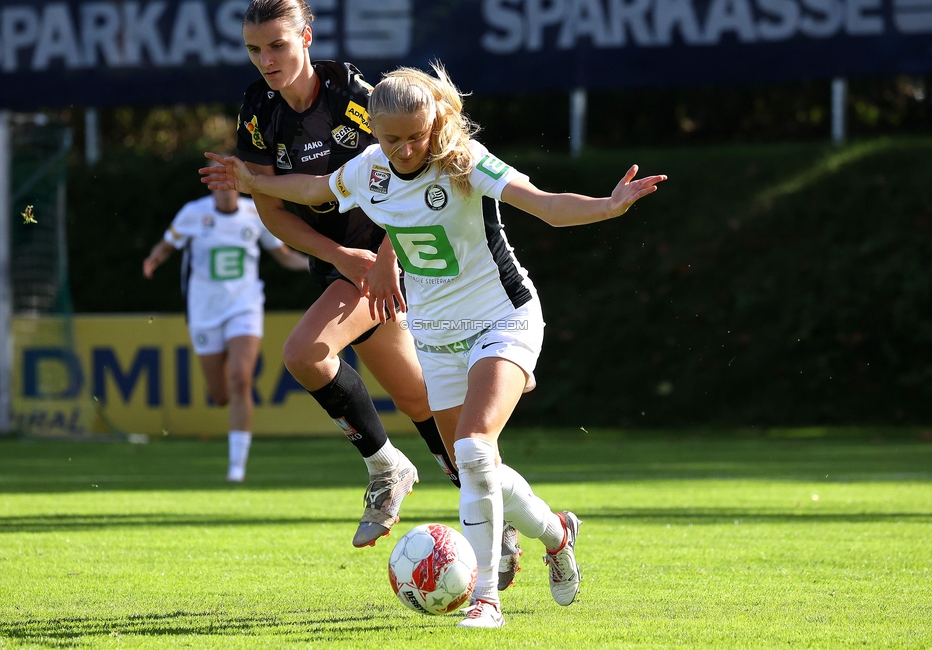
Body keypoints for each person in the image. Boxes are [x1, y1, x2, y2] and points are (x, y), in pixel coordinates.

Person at [201, 62, 667, 628]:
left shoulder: (464, 162)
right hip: (437, 336)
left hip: (503, 318)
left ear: (435, 122)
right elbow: (313, 189)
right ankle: (557, 532)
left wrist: (607, 206)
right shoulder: (369, 169)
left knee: (471, 449)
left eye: (414, 136)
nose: (402, 148)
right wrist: (252, 182)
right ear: (372, 128)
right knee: (474, 464)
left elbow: (544, 204)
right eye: (390, 137)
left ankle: (486, 599)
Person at [232, 0, 529, 580]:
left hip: (389, 261)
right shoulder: (257, 111)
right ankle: (504, 518)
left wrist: (382, 258)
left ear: (306, 38)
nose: (266, 60)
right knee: (419, 401)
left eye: (277, 46)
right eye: (254, 49)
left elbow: (412, 182)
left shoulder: (355, 97)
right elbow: (271, 207)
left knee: (305, 353)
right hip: (347, 264)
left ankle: (387, 466)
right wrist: (338, 254)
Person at [143, 174, 310, 482]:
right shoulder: (194, 213)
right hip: (204, 310)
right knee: (220, 394)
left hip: (244, 306)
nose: (225, 189)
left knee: (240, 379)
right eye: (218, 183)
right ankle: (228, 420)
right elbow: (167, 245)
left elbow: (283, 256)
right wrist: (154, 259)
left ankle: (237, 467)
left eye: (229, 181)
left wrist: (317, 262)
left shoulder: (254, 213)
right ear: (211, 187)